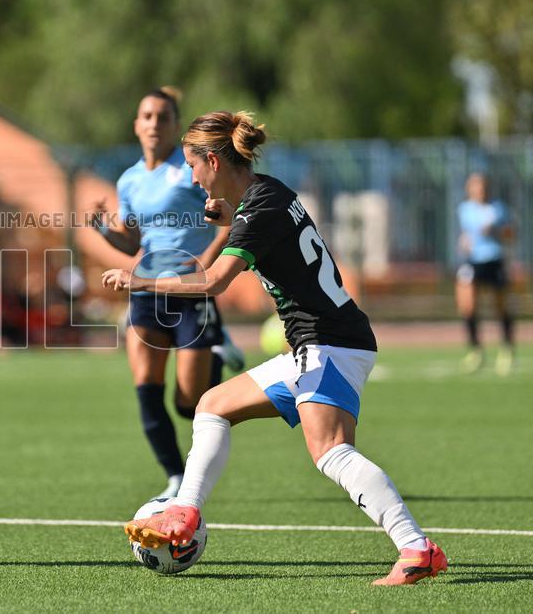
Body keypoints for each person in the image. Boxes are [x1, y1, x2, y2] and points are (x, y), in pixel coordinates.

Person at [102, 111, 446, 586]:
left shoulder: (257, 210)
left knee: (331, 451)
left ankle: (415, 548)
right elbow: (259, 226)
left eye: (192, 165)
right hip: (322, 343)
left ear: (213, 160)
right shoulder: (267, 192)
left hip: (329, 344)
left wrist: (138, 279)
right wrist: (229, 214)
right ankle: (185, 510)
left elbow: (213, 282)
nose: (190, 176)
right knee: (213, 405)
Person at [92, 87, 244, 500]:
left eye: (163, 117)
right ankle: (176, 478)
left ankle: (215, 349)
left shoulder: (193, 168)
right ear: (136, 125)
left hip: (192, 292)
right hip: (146, 290)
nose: (155, 123)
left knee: (188, 404)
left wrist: (206, 265)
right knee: (145, 385)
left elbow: (228, 221)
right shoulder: (129, 180)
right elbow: (132, 242)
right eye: (147, 116)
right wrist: (104, 229)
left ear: (177, 125)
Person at [456, 172, 515, 375]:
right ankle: (475, 350)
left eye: (480, 187)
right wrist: (463, 242)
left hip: (494, 259)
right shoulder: (464, 209)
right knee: (467, 304)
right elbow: (466, 233)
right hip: (473, 261)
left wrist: (496, 232)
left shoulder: (497, 208)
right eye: (473, 187)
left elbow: (510, 234)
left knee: (500, 306)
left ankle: (506, 348)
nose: (477, 191)